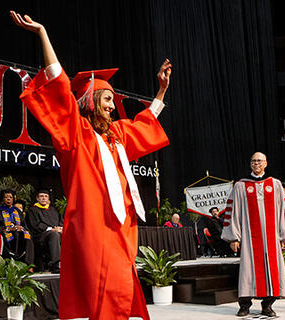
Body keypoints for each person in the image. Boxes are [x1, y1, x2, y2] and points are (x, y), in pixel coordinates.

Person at [11, 10, 171, 320]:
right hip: (93, 221)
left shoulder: (118, 135)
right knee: (104, 284)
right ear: (90, 101)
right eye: (107, 100)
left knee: (121, 283)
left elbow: (145, 123)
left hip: (123, 223)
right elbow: (59, 85)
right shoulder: (78, 135)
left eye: (113, 100)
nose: (114, 106)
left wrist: (161, 92)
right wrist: (43, 33)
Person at [221, 152, 285, 317]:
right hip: (249, 239)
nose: (257, 164)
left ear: (266, 163)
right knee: (248, 271)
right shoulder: (240, 185)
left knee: (272, 270)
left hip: (271, 238)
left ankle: (267, 305)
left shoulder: (275, 185)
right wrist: (234, 237)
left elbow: (284, 212)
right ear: (250, 164)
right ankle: (244, 305)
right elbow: (232, 212)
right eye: (254, 161)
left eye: (259, 161)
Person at [0, 190, 34, 266]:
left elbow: (24, 224)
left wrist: (21, 228)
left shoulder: (17, 211)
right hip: (5, 232)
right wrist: (8, 229)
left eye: (10, 197)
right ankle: (12, 261)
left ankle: (28, 264)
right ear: (2, 199)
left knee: (28, 236)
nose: (8, 199)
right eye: (6, 197)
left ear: (13, 199)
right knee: (15, 234)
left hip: (19, 231)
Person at [25, 188, 62, 273]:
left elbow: (59, 222)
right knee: (54, 235)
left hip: (54, 233)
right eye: (41, 196)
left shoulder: (53, 210)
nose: (44, 198)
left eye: (46, 196)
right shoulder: (33, 210)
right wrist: (51, 229)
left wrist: (59, 228)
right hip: (39, 236)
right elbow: (35, 225)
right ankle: (56, 264)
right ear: (37, 198)